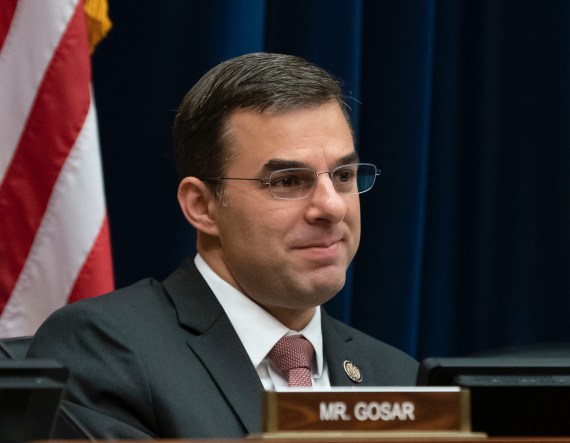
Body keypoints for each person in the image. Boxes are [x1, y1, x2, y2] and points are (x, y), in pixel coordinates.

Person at [28, 52, 418, 438]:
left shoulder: (399, 377)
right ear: (202, 206)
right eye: (287, 181)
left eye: (344, 175)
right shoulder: (105, 350)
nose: (331, 206)